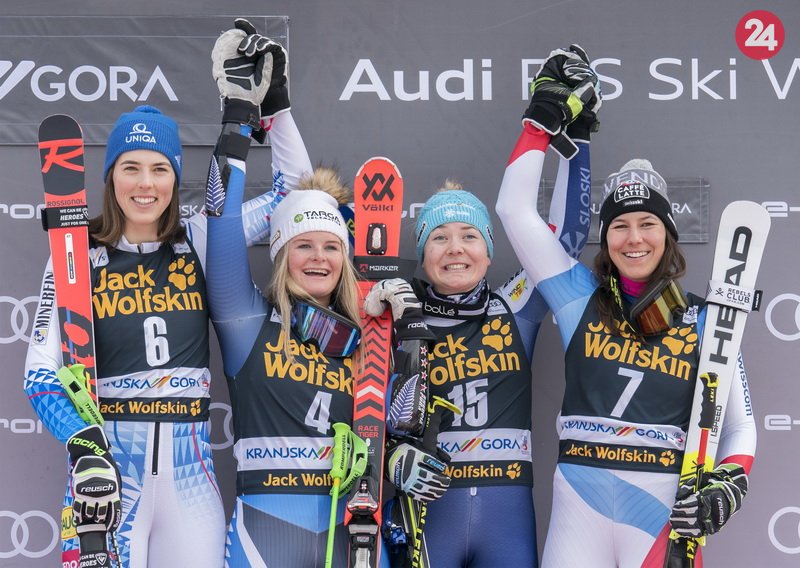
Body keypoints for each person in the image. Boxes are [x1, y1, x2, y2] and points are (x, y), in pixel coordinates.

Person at [23, 32, 283, 568]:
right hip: (105, 480)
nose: (145, 184)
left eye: (160, 168)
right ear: (110, 176)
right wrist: (84, 445)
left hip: (192, 486)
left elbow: (290, 192)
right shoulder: (74, 254)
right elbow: (39, 375)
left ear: (175, 176)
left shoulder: (201, 238)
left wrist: (270, 108)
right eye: (131, 167)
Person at [495, 49, 755, 567]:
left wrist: (730, 481)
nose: (634, 239)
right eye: (619, 225)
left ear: (668, 234)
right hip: (578, 515)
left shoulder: (706, 319)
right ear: (606, 236)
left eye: (647, 224)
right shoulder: (576, 297)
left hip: (660, 517)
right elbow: (512, 209)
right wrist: (541, 120)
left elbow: (740, 427)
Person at [205, 20, 444, 568]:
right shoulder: (247, 322)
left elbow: (394, 427)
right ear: (280, 255)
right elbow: (220, 220)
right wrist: (239, 117)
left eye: (332, 246)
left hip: (353, 536)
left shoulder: (367, 336)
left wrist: (402, 456)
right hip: (264, 539)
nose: (319, 258)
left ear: (347, 257)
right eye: (303, 246)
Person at [373, 47, 598, 568]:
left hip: (506, 518)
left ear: (490, 252)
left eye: (469, 236)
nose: (455, 249)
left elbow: (565, 239)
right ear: (422, 253)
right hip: (430, 513)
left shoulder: (515, 305)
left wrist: (579, 141)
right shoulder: (395, 312)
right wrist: (390, 458)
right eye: (439, 238)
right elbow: (358, 412)